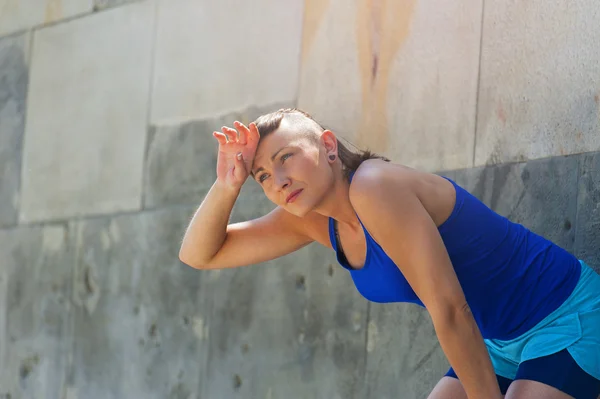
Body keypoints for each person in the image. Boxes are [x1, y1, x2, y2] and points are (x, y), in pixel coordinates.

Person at [178, 108, 600, 399]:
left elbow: (451, 309)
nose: (279, 181)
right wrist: (228, 185)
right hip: (497, 343)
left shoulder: (374, 187)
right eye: (264, 176)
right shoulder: (309, 219)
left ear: (327, 146)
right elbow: (200, 255)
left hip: (563, 320)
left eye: (286, 157)